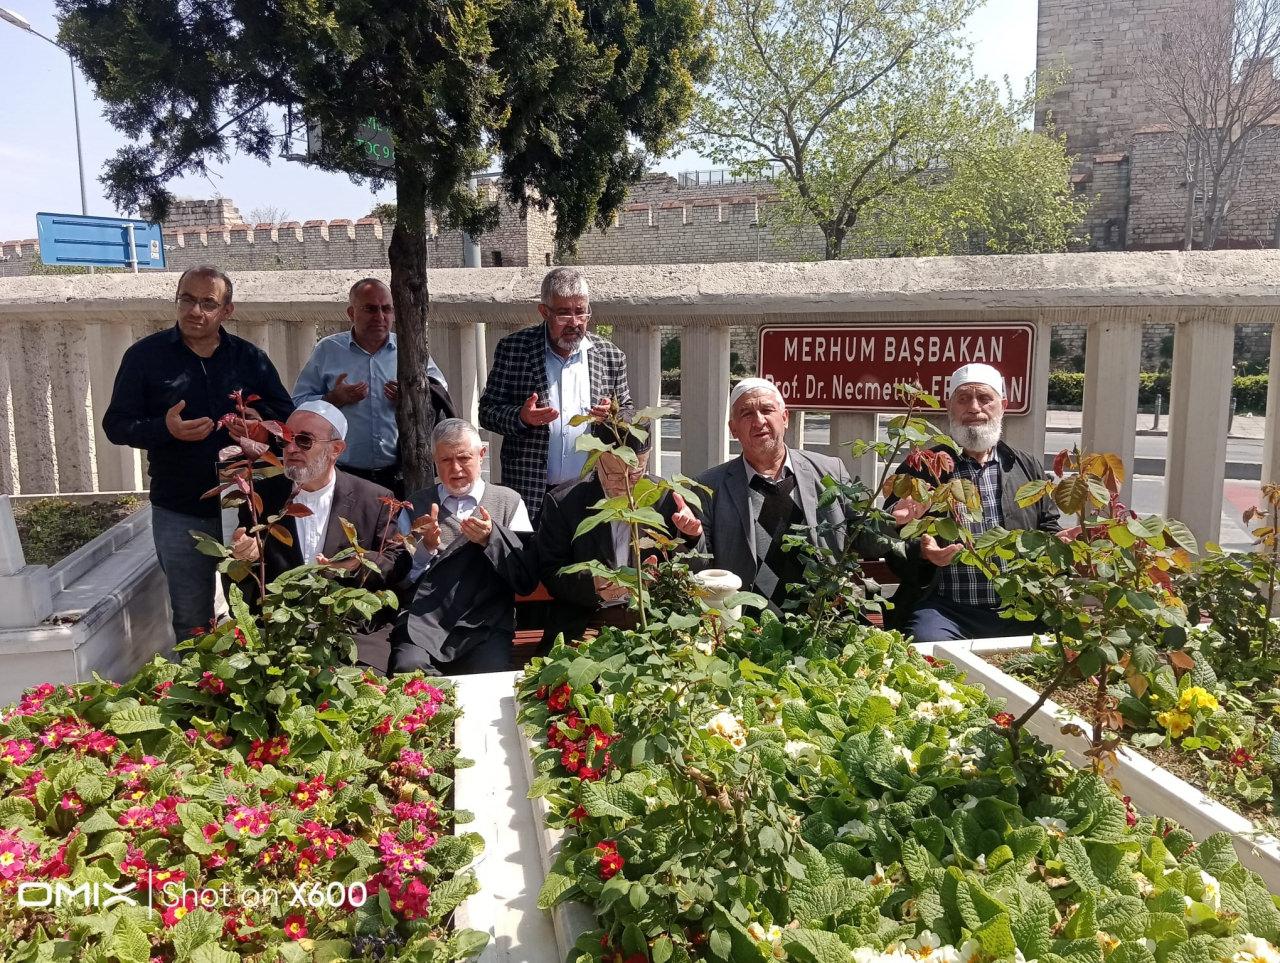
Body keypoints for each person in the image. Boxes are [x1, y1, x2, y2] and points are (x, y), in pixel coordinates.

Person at [102, 265, 294, 644]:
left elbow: (286, 416)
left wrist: (257, 423)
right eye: (187, 299)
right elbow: (116, 425)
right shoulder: (145, 357)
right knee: (192, 621)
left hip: (246, 509)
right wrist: (164, 429)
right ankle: (197, 700)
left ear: (227, 311)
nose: (195, 311)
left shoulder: (248, 358)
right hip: (179, 508)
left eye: (208, 303)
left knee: (255, 611)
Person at [886, 363, 1061, 642]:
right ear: (949, 407)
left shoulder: (1027, 467)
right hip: (945, 608)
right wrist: (922, 550)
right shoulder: (921, 468)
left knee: (1056, 653)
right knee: (927, 649)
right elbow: (889, 536)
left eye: (985, 398)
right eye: (964, 399)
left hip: (1019, 608)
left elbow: (1049, 528)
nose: (974, 408)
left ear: (1002, 405)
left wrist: (1063, 542)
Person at [228, 401, 410, 666]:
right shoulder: (262, 497)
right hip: (281, 632)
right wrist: (243, 558)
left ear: (336, 449)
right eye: (285, 440)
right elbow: (243, 580)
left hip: (352, 632)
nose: (291, 449)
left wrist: (361, 562)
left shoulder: (374, 498)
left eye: (304, 441)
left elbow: (398, 562)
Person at [696, 378, 898, 612]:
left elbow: (866, 540)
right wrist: (691, 536)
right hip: (746, 626)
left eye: (767, 410)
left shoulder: (829, 471)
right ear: (733, 429)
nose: (758, 421)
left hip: (819, 622)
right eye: (746, 414)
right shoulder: (710, 487)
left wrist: (895, 519)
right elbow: (700, 567)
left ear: (785, 418)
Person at [479, 267, 631, 522]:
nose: (574, 322)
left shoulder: (610, 355)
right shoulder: (514, 348)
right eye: (563, 313)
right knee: (531, 560)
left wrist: (613, 415)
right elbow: (487, 412)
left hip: (592, 492)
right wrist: (522, 417)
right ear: (544, 312)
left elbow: (627, 410)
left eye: (581, 311)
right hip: (531, 491)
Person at [536, 417, 704, 646]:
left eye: (635, 474)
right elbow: (550, 570)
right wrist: (592, 584)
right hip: (588, 620)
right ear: (595, 458)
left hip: (653, 621)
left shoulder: (664, 496)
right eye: (614, 474)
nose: (625, 484)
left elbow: (697, 569)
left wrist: (692, 537)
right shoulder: (564, 502)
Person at [389, 419, 535, 675]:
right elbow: (399, 579)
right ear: (435, 460)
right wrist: (425, 549)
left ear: (481, 455)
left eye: (464, 458)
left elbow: (526, 576)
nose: (455, 468)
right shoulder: (416, 506)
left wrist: (492, 539)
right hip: (424, 620)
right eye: (446, 460)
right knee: (409, 669)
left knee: (489, 678)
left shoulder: (508, 502)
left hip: (484, 622)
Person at [292, 277, 454, 496]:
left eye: (386, 309)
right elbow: (298, 405)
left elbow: (439, 392)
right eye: (370, 309)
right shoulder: (328, 350)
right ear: (351, 313)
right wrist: (333, 399)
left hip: (399, 474)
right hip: (344, 474)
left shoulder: (408, 350)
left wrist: (409, 397)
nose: (380, 317)